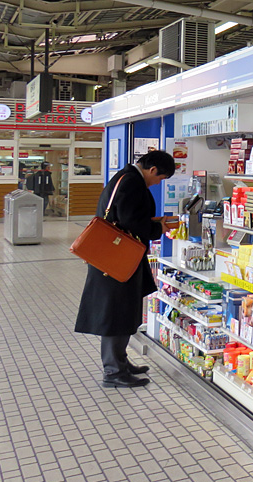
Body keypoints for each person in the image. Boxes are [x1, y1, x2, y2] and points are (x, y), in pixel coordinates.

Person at [75, 151, 176, 388]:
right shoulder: (131, 182)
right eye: (160, 178)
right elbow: (131, 221)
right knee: (116, 313)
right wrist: (157, 229)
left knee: (123, 311)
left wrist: (153, 223)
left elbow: (125, 217)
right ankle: (113, 371)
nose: (157, 183)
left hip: (116, 258)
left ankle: (120, 362)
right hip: (115, 261)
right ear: (152, 170)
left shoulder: (126, 177)